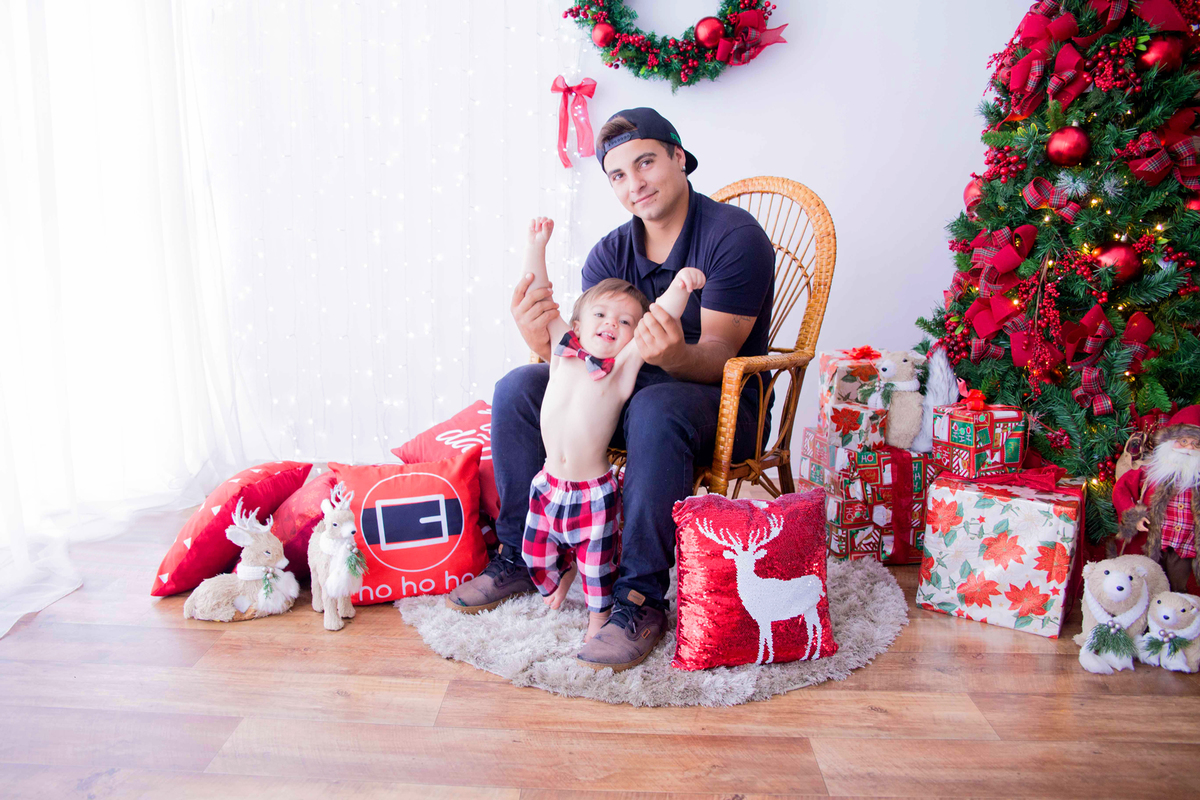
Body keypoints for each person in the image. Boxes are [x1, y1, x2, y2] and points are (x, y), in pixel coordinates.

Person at [447, 107, 775, 672]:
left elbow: (723, 357)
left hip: (722, 402)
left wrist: (671, 353)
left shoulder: (733, 237)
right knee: (520, 386)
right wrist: (541, 336)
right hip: (628, 392)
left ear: (679, 157)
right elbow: (587, 354)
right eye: (618, 175)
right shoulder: (610, 253)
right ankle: (523, 554)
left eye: (645, 162)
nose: (634, 184)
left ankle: (640, 597)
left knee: (656, 404)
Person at [515, 216, 706, 643]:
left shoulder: (621, 369)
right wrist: (536, 246)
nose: (610, 324)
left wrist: (681, 286)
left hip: (592, 494)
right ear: (578, 325)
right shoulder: (563, 351)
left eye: (624, 322)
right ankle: (558, 574)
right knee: (535, 554)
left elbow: (657, 319)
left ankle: (599, 620)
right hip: (546, 484)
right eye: (600, 314)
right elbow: (539, 299)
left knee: (597, 567)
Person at [1114, 405, 1200, 593]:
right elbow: (1121, 489)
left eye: (1196, 444)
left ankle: (1171, 618)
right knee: (1145, 583)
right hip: (1150, 542)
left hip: (1185, 549)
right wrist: (1133, 514)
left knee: (1178, 589)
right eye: (1183, 441)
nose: (1188, 449)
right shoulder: (1150, 473)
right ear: (1170, 441)